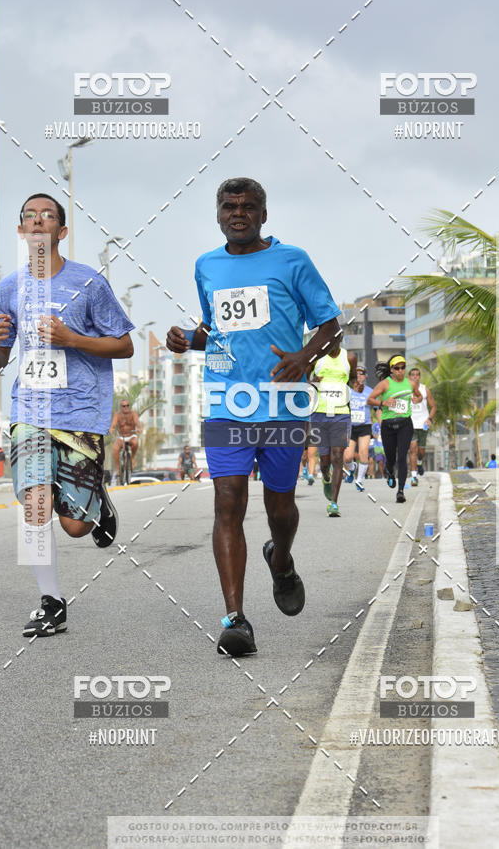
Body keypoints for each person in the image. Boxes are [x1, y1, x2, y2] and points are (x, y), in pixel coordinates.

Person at [166, 177, 341, 657]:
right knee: (228, 501)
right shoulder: (206, 265)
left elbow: (330, 323)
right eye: (229, 206)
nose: (238, 212)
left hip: (283, 405)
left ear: (264, 214)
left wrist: (305, 357)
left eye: (248, 206)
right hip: (227, 402)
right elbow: (213, 329)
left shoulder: (292, 260)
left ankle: (281, 560)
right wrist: (186, 337)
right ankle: (235, 620)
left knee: (279, 509)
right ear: (218, 214)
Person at [0, 193, 134, 637]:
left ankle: (95, 500)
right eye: (29, 215)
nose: (37, 220)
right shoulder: (9, 288)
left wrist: (72, 338)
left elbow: (124, 345)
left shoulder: (90, 284)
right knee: (34, 505)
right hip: (29, 408)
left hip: (81, 412)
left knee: (73, 526)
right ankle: (51, 601)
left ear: (61, 232)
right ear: (21, 231)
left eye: (47, 215)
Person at [307, 340, 357, 516]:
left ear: (340, 340)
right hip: (319, 413)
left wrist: (355, 385)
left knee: (338, 456)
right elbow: (304, 381)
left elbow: (353, 380)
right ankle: (325, 477)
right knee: (325, 460)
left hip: (341, 413)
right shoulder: (315, 358)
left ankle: (334, 503)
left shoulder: (349, 358)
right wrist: (312, 381)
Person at [367, 355, 422, 503]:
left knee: (402, 456)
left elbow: (419, 396)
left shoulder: (411, 384)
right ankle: (390, 471)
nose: (400, 371)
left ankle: (401, 491)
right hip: (388, 426)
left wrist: (417, 399)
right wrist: (383, 402)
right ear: (391, 370)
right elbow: (370, 399)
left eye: (403, 367)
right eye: (397, 368)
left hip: (405, 424)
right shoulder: (385, 384)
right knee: (390, 458)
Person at [344, 365, 374, 492]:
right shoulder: (348, 391)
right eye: (357, 374)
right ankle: (352, 468)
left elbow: (377, 409)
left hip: (365, 427)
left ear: (366, 376)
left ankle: (360, 480)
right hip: (350, 427)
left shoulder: (370, 392)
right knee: (347, 457)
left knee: (364, 453)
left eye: (362, 374)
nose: (359, 376)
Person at [408, 366, 436, 485]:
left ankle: (420, 462)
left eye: (417, 375)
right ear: (409, 377)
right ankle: (414, 477)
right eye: (412, 375)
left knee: (421, 452)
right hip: (410, 423)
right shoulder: (406, 390)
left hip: (423, 423)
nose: (415, 376)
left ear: (419, 377)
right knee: (412, 449)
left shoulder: (425, 390)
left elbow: (434, 406)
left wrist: (429, 419)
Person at [110, 399, 142, 480]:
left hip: (131, 435)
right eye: (124, 406)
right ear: (121, 407)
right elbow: (113, 424)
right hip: (121, 436)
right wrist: (112, 428)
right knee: (116, 448)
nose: (126, 407)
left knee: (135, 443)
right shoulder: (117, 415)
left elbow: (137, 422)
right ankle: (118, 469)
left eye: (127, 405)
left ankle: (132, 458)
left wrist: (139, 428)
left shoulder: (133, 414)